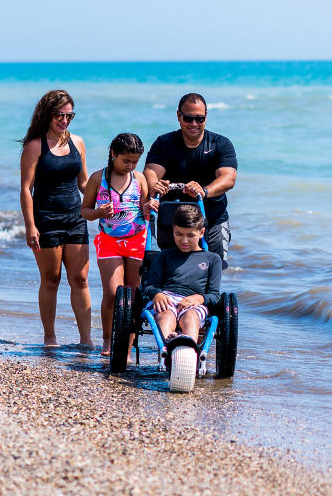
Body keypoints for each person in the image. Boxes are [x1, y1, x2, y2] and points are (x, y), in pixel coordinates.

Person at [19, 90, 93, 348]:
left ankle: (87, 339)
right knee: (51, 279)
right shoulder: (35, 145)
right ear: (47, 115)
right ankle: (49, 336)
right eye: (59, 115)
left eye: (69, 115)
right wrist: (30, 226)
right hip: (46, 218)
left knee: (80, 279)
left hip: (75, 217)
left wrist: (102, 203)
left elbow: (83, 183)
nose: (64, 120)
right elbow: (26, 189)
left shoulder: (78, 143)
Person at [80, 133, 156, 356]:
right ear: (113, 154)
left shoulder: (139, 178)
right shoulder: (98, 178)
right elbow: (85, 211)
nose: (130, 166)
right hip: (109, 242)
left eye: (135, 162)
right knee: (113, 294)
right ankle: (107, 340)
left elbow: (144, 208)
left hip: (137, 241)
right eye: (126, 161)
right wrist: (99, 212)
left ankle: (128, 346)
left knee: (132, 296)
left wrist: (149, 206)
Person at [144, 93, 237, 268]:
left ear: (206, 117)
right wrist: (154, 184)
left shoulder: (221, 144)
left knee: (212, 271)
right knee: (172, 272)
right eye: (188, 118)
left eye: (199, 119)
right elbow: (151, 171)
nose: (194, 124)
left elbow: (228, 178)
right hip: (172, 221)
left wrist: (204, 191)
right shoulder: (164, 143)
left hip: (212, 219)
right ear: (179, 116)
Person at [141, 204, 222, 344]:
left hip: (195, 303)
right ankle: (168, 344)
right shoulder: (165, 256)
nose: (184, 240)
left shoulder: (212, 259)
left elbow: (215, 295)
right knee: (166, 315)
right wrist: (157, 294)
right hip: (166, 298)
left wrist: (199, 298)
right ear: (173, 230)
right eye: (179, 234)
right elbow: (149, 286)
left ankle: (188, 345)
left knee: (190, 317)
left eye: (190, 235)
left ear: (201, 233)